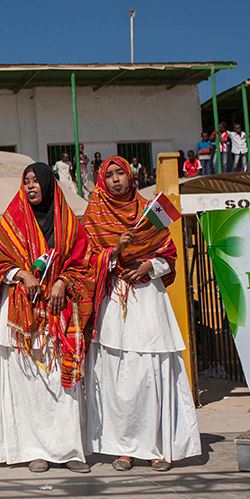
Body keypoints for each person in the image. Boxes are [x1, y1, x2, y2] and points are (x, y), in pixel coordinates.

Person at [83, 156, 201, 471]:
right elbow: (86, 261)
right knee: (120, 379)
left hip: (148, 301)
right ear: (101, 181)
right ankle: (124, 449)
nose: (116, 180)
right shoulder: (94, 216)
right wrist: (115, 251)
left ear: (131, 175)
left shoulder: (149, 211)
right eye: (109, 175)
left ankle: (159, 449)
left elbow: (169, 255)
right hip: (115, 302)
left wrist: (150, 265)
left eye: (120, 172)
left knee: (153, 373)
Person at [0, 163, 94, 473]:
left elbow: (83, 263)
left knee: (63, 386)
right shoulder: (12, 221)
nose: (31, 186)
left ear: (48, 184)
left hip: (60, 315)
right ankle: (35, 450)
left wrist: (63, 281)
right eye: (27, 181)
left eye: (36, 181)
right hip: (26, 317)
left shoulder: (70, 224)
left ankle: (69, 449)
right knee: (31, 386)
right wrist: (20, 274)